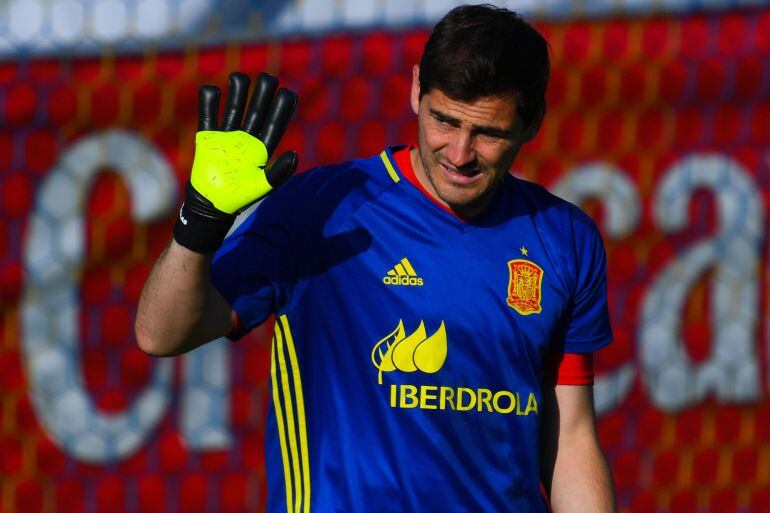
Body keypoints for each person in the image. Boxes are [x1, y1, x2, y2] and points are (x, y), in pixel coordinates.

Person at [136, 4, 617, 512]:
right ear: (415, 91)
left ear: (532, 122)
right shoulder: (322, 207)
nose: (458, 152)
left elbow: (572, 440)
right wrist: (199, 225)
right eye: (444, 120)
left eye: (488, 133)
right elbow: (161, 333)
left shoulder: (564, 239)